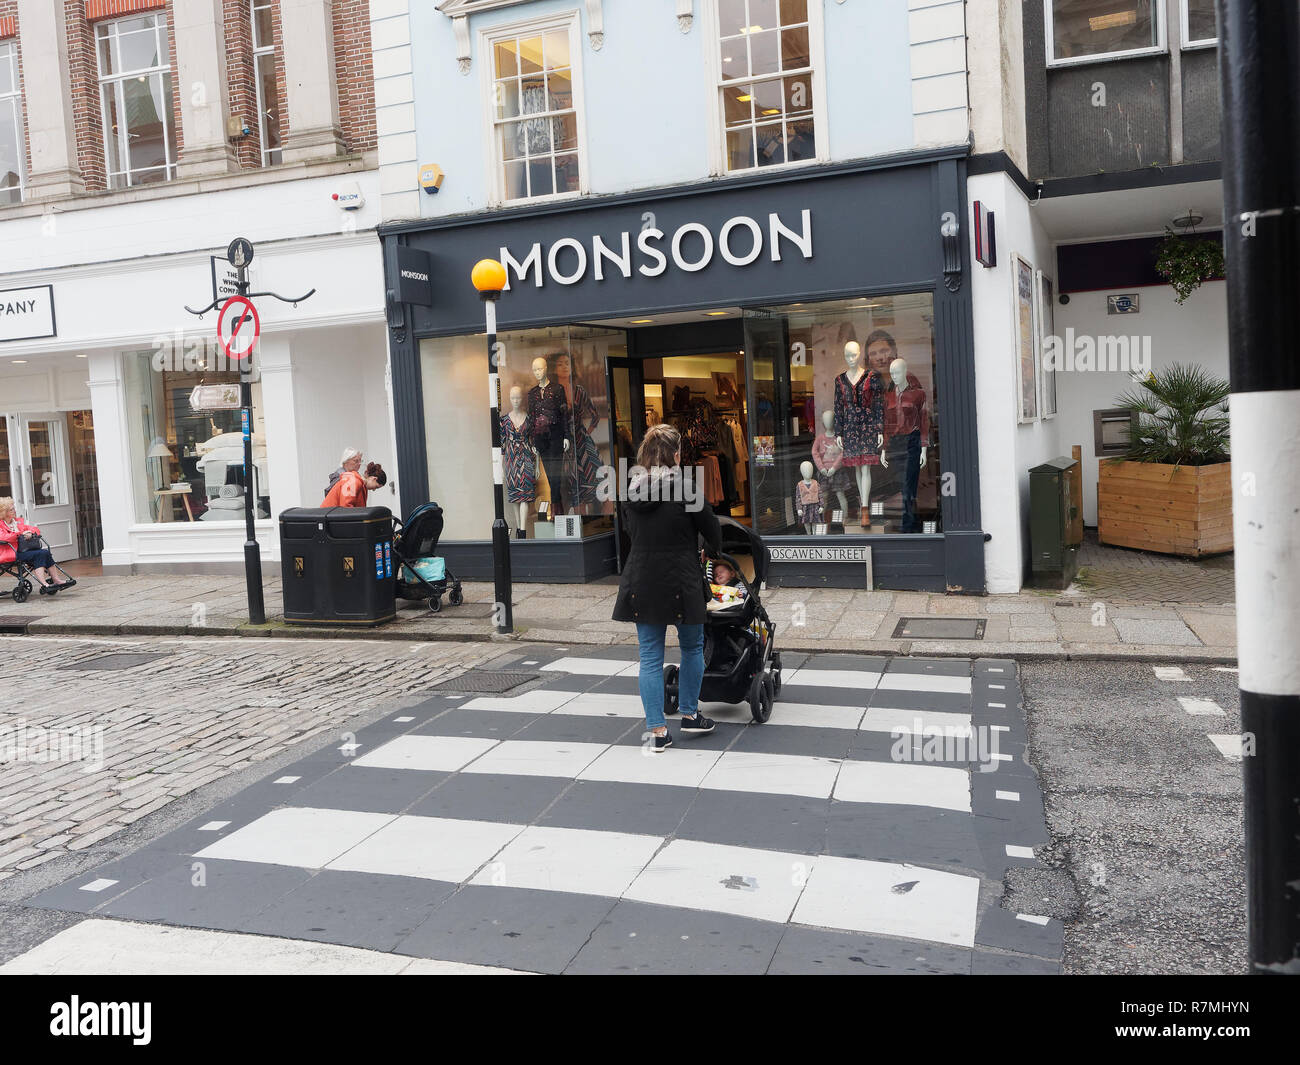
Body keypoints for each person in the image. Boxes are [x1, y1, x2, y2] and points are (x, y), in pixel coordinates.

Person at [612, 424, 721, 751]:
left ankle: (657, 732)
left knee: (649, 656)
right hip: (681, 581)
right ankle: (689, 715)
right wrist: (709, 550)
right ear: (675, 455)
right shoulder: (685, 489)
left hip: (642, 578)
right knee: (691, 647)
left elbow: (631, 531)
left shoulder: (632, 490)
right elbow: (712, 529)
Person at [0, 497, 72, 593]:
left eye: (14, 508)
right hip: (11, 552)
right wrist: (20, 534)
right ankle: (44, 583)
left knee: (45, 552)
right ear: (4, 512)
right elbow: (4, 537)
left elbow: (35, 529)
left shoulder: (17, 522)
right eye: (11, 509)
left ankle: (56, 580)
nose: (14, 511)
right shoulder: (1, 525)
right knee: (38, 554)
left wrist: (31, 533)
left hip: (24, 550)